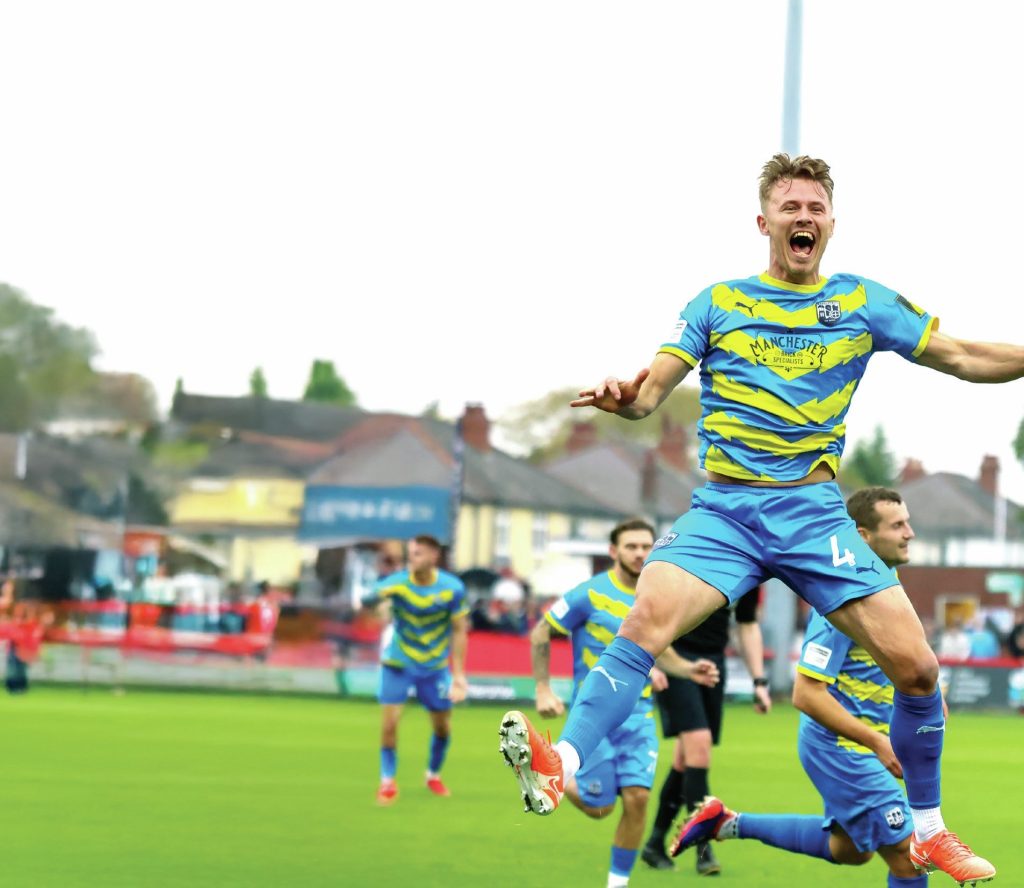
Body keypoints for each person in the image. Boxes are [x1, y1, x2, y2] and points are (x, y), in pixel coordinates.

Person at [498, 153, 1023, 884]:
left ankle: (930, 829)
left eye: (815, 208)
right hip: (726, 512)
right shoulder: (717, 302)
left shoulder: (862, 302)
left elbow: (962, 354)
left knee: (919, 667)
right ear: (764, 221)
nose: (803, 218)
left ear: (831, 223)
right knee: (642, 626)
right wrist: (628, 398)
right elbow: (652, 393)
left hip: (813, 514)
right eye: (790, 207)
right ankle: (563, 764)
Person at [675, 487, 936, 887]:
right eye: (898, 525)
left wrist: (934, 704)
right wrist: (877, 742)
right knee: (908, 853)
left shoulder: (887, 586)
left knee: (850, 850)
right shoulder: (843, 602)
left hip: (866, 745)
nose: (910, 533)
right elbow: (805, 693)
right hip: (843, 749)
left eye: (908, 522)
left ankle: (726, 823)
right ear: (862, 536)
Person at [522, 518, 720, 888]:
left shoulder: (656, 596)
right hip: (594, 716)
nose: (640, 553)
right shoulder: (588, 594)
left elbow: (663, 652)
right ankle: (550, 767)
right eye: (631, 546)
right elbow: (541, 632)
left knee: (638, 799)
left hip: (639, 716)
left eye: (646, 546)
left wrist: (689, 670)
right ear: (613, 551)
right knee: (601, 808)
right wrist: (543, 689)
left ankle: (617, 884)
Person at [640, 586, 771, 875]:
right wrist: (654, 663)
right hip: (675, 659)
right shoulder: (694, 559)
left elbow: (747, 624)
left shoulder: (751, 569)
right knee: (698, 750)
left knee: (684, 761)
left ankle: (654, 843)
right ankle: (703, 845)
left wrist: (759, 681)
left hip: (714, 662)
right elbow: (655, 616)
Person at [363, 534, 469, 804]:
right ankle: (387, 781)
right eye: (411, 553)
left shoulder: (452, 589)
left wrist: (458, 675)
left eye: (419, 553)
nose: (413, 558)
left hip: (434, 668)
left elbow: (459, 631)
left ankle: (433, 774)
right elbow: (367, 599)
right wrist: (375, 600)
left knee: (443, 728)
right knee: (389, 724)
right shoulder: (397, 583)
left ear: (434, 556)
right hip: (398, 663)